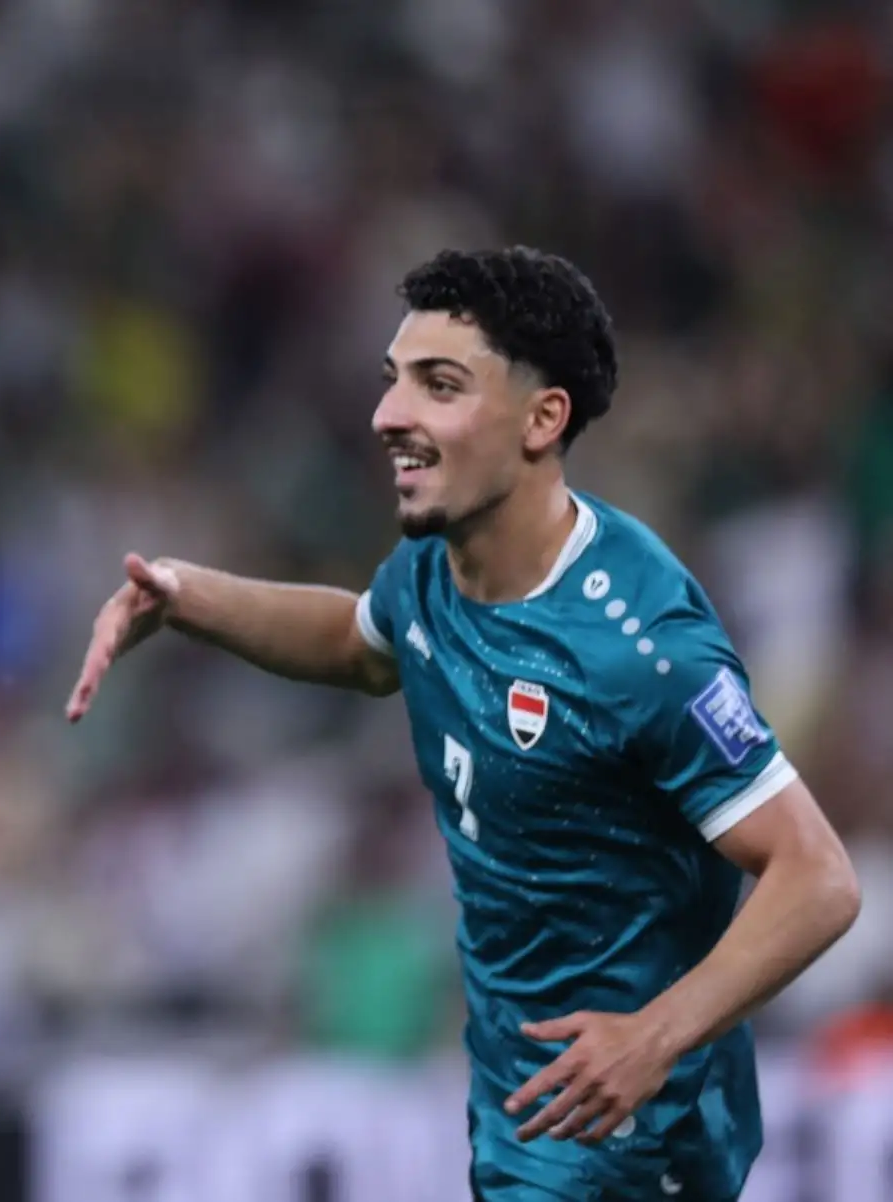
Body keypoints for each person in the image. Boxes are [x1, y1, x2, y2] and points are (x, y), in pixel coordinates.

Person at [66, 247, 861, 1202]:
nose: (389, 415)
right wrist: (187, 596)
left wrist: (651, 1036)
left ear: (542, 418)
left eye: (438, 385)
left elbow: (816, 876)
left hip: (628, 1142)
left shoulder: (641, 648)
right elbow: (364, 643)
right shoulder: (435, 569)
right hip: (520, 1117)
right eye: (393, 381)